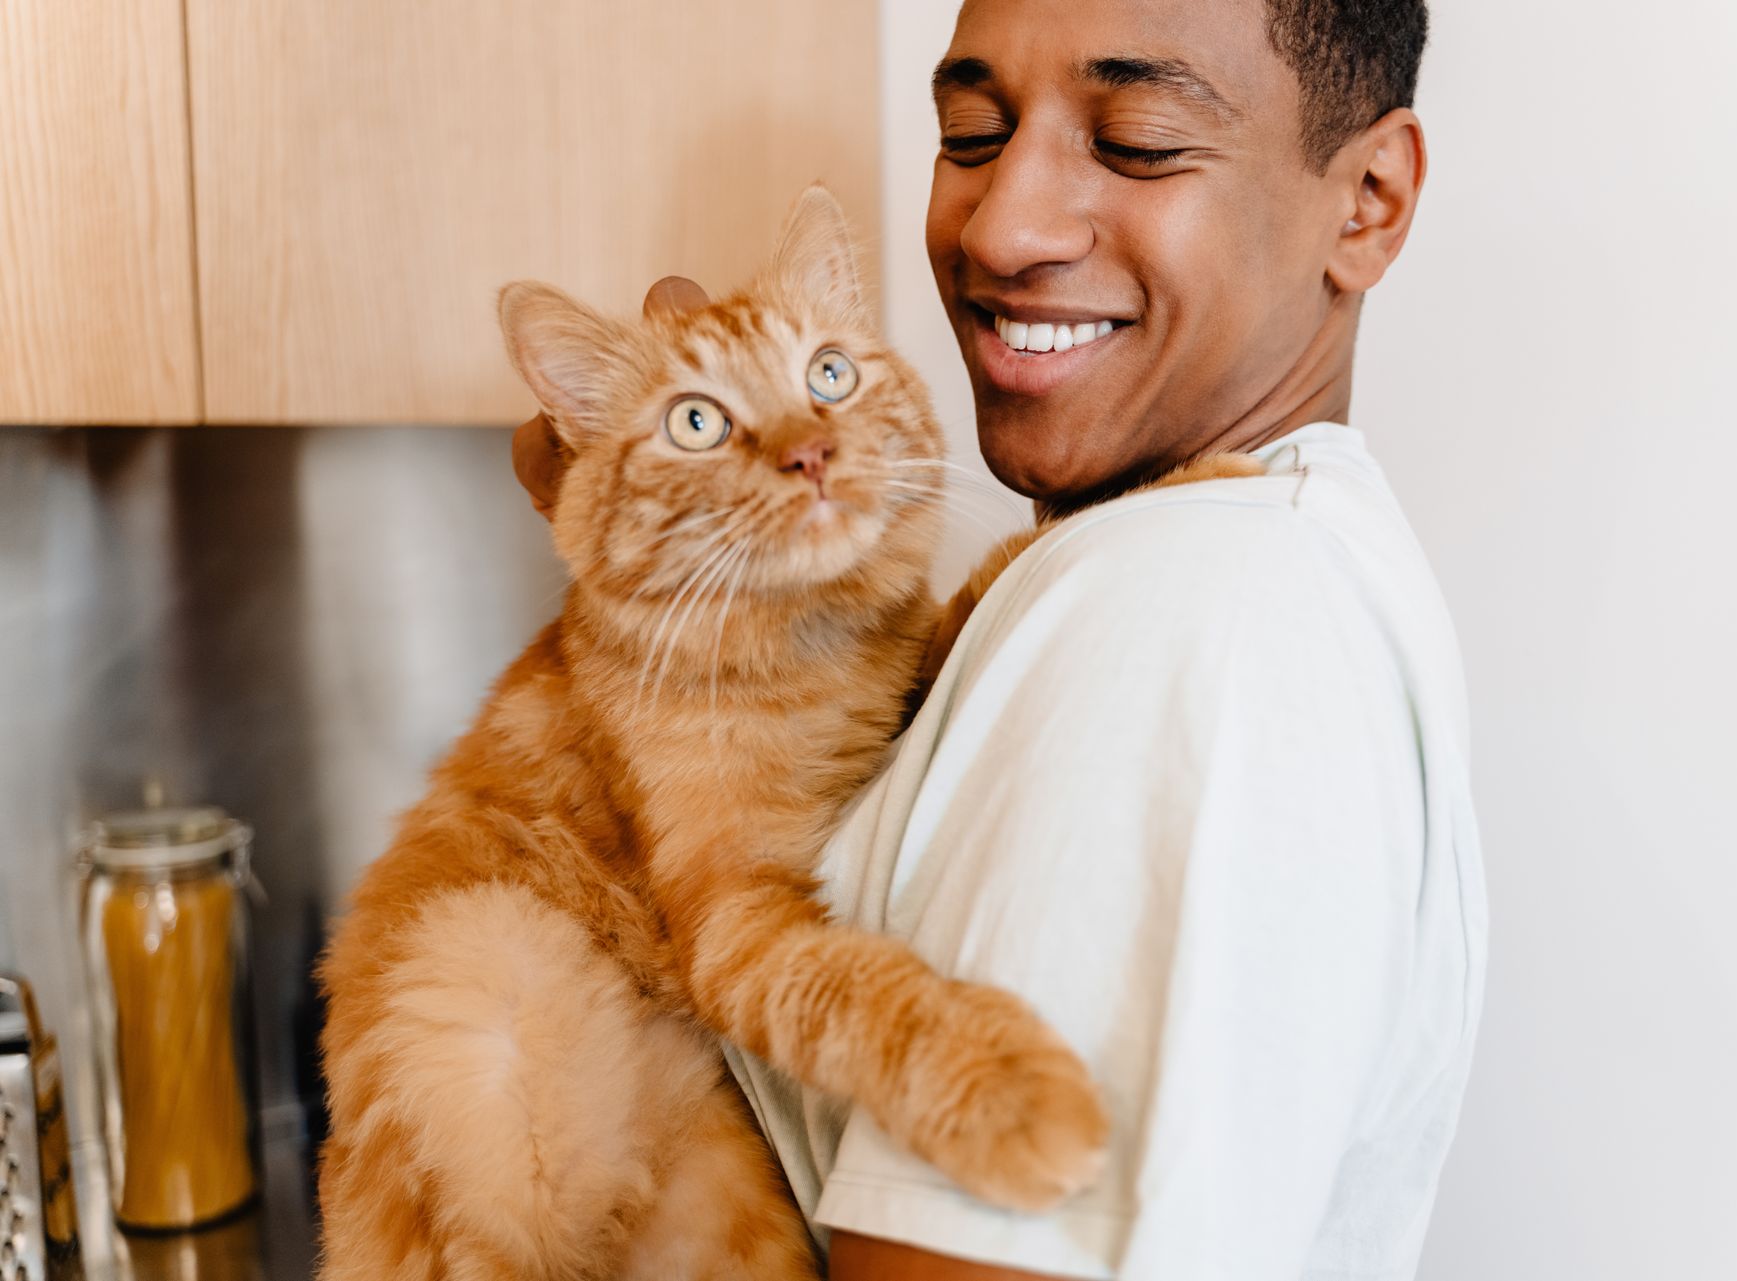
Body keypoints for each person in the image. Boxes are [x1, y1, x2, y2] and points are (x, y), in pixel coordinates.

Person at [513, 0, 1485, 1276]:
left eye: (1136, 139)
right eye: (972, 131)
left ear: (1366, 199)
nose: (1001, 226)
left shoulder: (1180, 599)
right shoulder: (1243, 542)